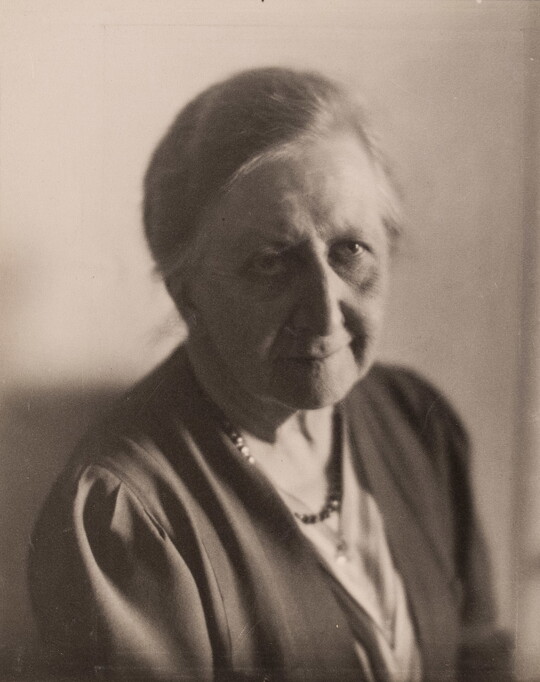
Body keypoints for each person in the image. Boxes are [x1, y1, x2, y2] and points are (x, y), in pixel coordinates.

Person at [28, 67, 510, 681]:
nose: (325, 312)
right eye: (270, 262)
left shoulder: (419, 424)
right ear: (187, 291)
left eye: (350, 250)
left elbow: (480, 658)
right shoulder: (125, 512)